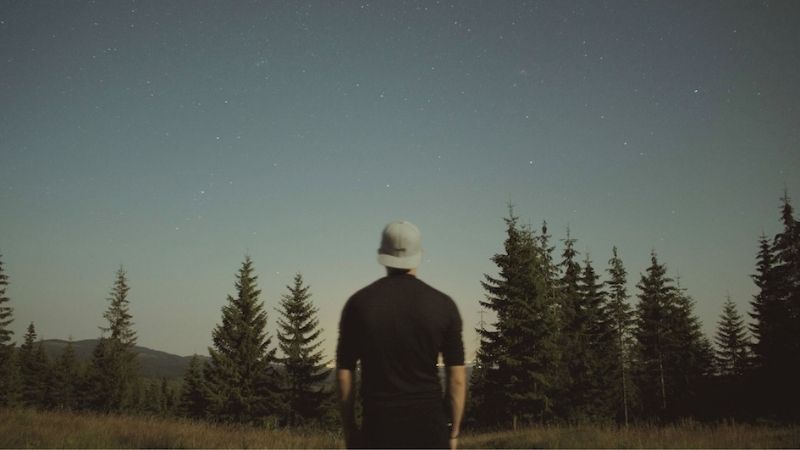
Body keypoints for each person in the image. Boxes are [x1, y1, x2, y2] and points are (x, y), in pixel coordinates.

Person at [336, 220, 466, 449]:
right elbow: (456, 379)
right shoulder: (444, 305)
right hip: (430, 432)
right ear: (419, 255)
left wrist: (349, 428)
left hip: (378, 430)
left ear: (382, 255)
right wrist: (453, 433)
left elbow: (344, 373)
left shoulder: (358, 305)